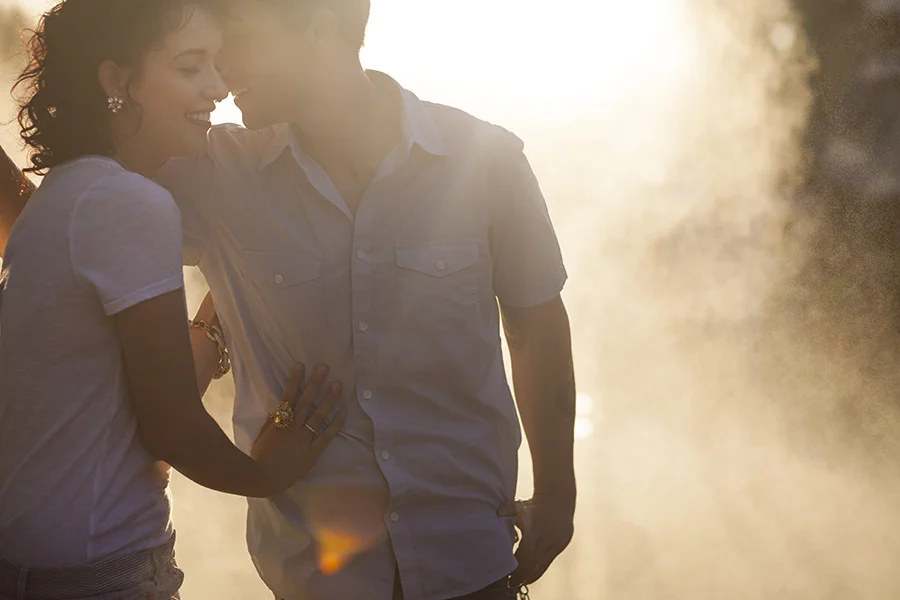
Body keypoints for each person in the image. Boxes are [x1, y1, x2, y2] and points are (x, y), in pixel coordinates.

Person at [0, 0, 578, 599]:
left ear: (321, 23)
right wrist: (216, 326)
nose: (221, 73)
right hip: (314, 576)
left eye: (235, 38)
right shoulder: (209, 168)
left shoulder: (486, 161)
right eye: (203, 57)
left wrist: (558, 492)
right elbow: (66, 226)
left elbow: (536, 324)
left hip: (470, 560)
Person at [0, 1, 345, 599]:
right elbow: (170, 426)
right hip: (102, 570)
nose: (218, 87)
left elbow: (112, 394)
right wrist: (267, 474)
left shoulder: (65, 195)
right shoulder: (131, 203)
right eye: (191, 67)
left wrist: (221, 317)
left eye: (215, 64)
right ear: (116, 80)